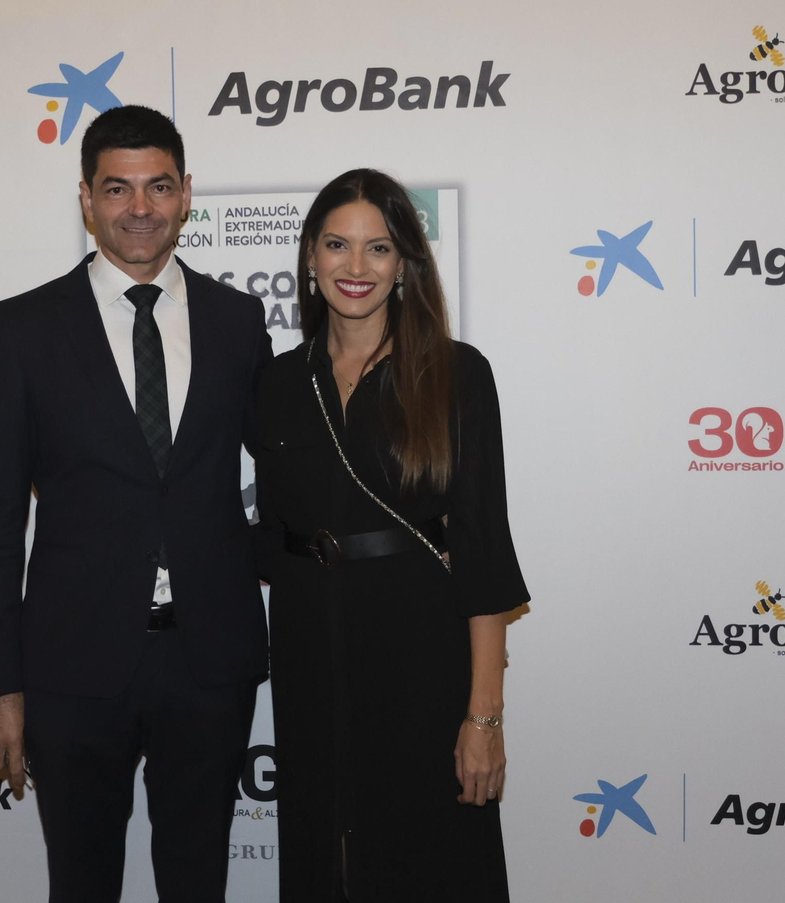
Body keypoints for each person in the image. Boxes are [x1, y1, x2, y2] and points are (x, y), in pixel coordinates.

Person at [0, 105, 273, 902]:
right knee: (82, 882)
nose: (140, 207)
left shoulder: (239, 322)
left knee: (199, 881)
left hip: (209, 660)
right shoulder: (24, 328)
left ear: (186, 194)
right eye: (117, 188)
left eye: (158, 187)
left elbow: (285, 469)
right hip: (71, 662)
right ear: (87, 199)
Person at [253, 169, 531, 901]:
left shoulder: (457, 374)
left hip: (420, 656)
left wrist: (483, 716)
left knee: (430, 859)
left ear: (404, 263)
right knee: (323, 855)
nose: (356, 266)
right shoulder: (276, 384)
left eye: (378, 248)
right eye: (337, 245)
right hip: (309, 654)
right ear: (310, 256)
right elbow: (267, 532)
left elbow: (483, 557)